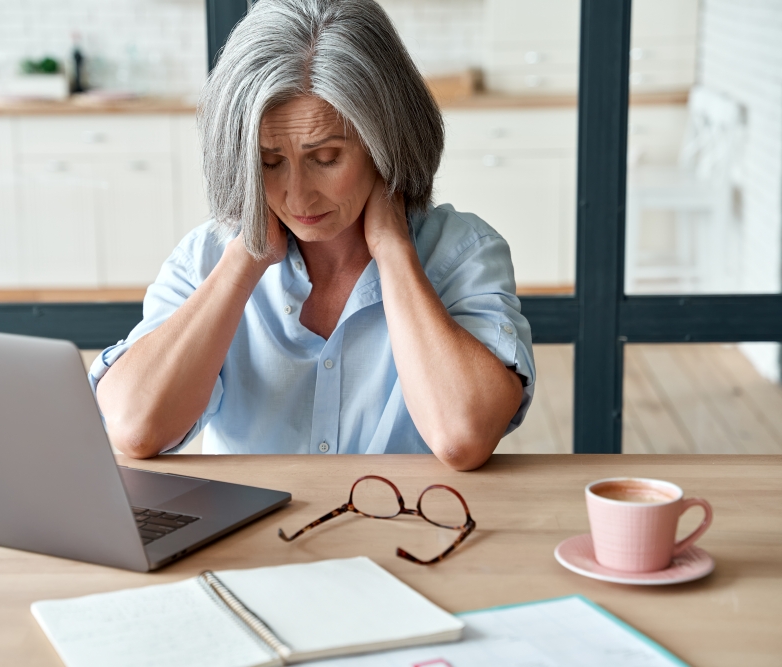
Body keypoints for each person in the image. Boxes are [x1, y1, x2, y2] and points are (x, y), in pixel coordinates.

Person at [91, 0, 535, 470]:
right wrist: (245, 258)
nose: (298, 197)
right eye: (268, 162)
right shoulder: (204, 260)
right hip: (254, 542)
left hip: (407, 536)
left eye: (326, 159)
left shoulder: (461, 253)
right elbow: (136, 428)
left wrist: (394, 252)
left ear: (385, 142)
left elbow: (463, 437)